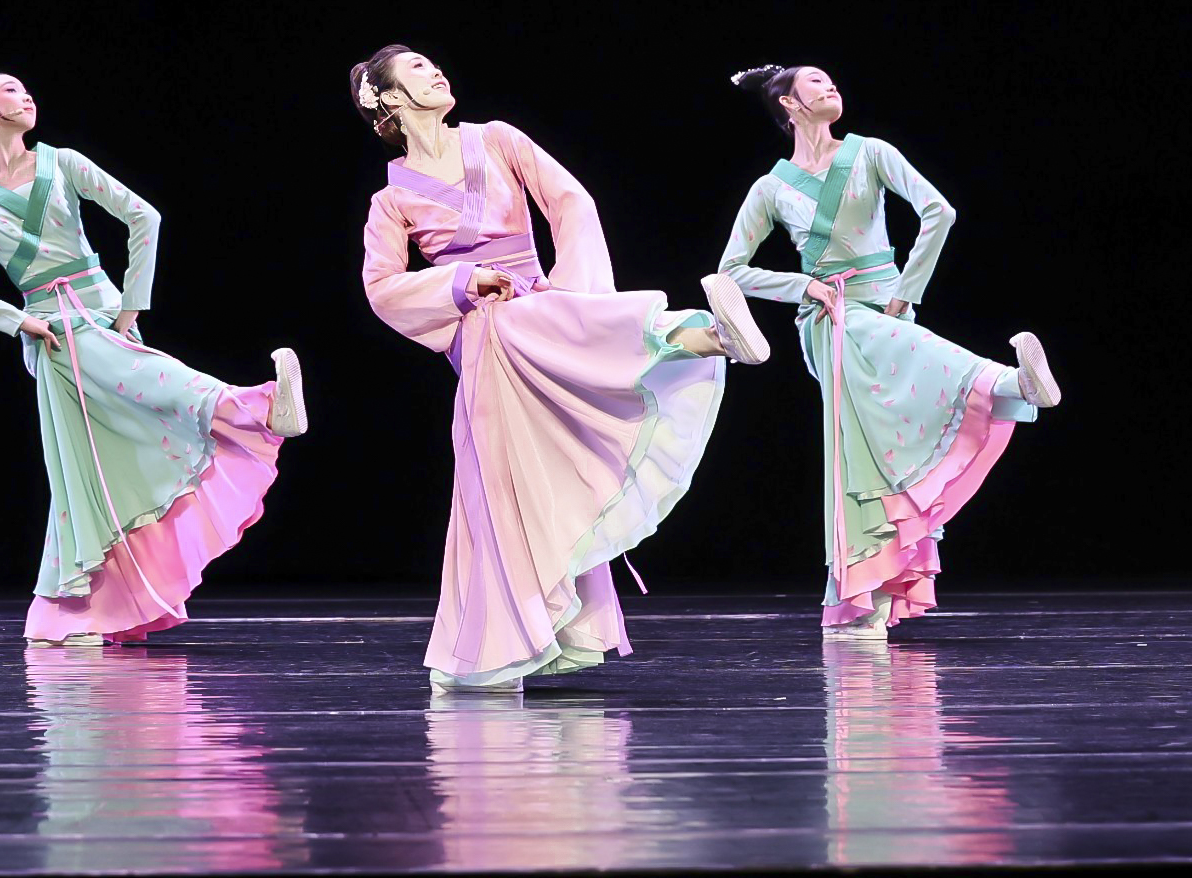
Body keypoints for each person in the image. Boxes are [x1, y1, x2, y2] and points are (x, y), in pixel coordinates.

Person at [355, 43, 765, 691]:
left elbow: (571, 202)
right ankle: (695, 334)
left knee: (555, 470)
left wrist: (575, 294)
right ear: (389, 99)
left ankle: (700, 335)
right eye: (416, 69)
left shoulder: (496, 139)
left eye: (434, 63)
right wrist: (462, 280)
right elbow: (381, 286)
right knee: (506, 486)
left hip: (543, 308)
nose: (435, 70)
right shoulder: (392, 198)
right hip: (484, 340)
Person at [0, 51, 301, 645]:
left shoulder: (63, 162)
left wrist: (131, 304)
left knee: (138, 445)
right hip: (53, 337)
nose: (27, 97)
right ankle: (78, 611)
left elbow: (143, 217)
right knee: (84, 477)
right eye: (13, 90)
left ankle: (252, 407)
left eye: (26, 89)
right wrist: (17, 320)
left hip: (100, 316)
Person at [717, 63, 1058, 637]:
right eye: (815, 81)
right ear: (789, 104)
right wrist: (803, 286)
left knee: (881, 456)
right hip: (831, 320)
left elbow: (939, 211)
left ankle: (869, 601)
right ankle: (1006, 383)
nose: (831, 85)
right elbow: (731, 271)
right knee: (854, 447)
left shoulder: (871, 152)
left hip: (887, 310)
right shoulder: (771, 188)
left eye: (832, 79)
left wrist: (908, 290)